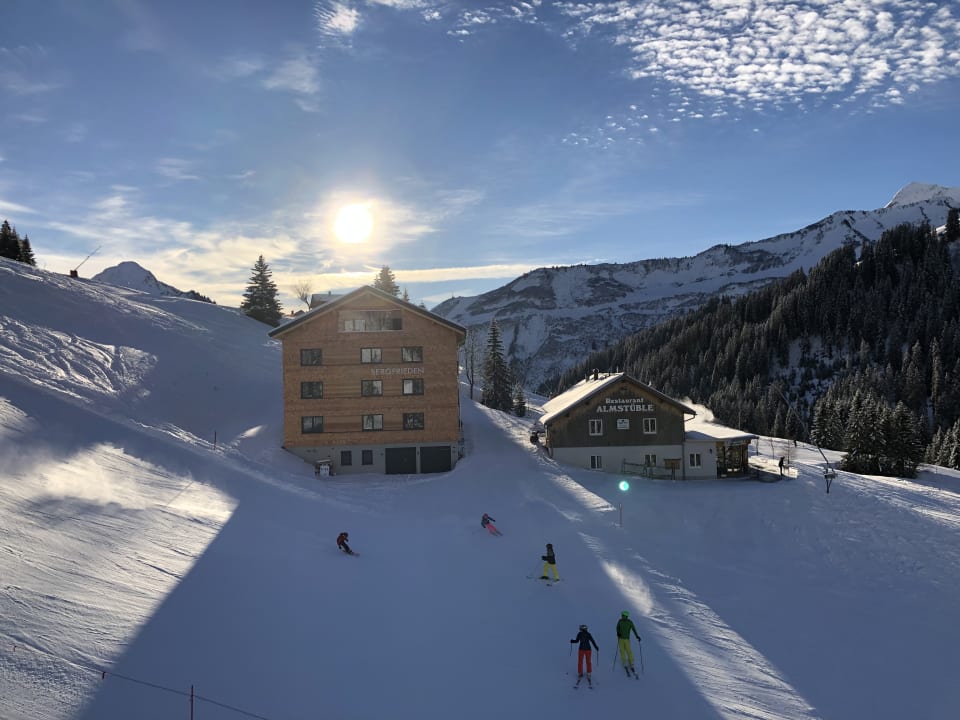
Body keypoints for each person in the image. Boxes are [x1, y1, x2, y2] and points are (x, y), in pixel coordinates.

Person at [615, 611, 642, 677]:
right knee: (622, 651)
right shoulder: (620, 621)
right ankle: (624, 662)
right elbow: (617, 628)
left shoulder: (630, 622)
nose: (622, 616)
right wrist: (618, 633)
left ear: (626, 616)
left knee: (628, 651)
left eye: (623, 615)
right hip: (621, 639)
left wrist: (637, 636)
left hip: (627, 639)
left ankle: (631, 662)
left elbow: (634, 629)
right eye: (622, 615)